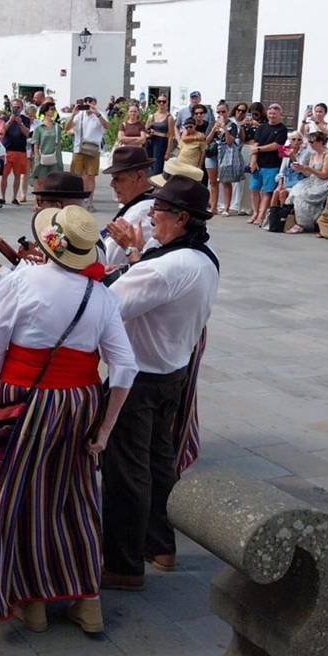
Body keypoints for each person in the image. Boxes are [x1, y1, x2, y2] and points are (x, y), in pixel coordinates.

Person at [0, 205, 137, 634]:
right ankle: (88, 602)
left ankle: (33, 604)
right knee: (78, 497)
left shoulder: (19, 281)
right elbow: (124, 368)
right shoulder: (101, 294)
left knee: (24, 498)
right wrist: (104, 429)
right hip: (80, 402)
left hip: (26, 401)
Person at [99, 176, 219, 591]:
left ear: (182, 219)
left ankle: (122, 565)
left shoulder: (166, 268)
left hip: (140, 380)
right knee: (157, 463)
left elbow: (108, 305)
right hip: (172, 372)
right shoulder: (203, 256)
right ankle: (160, 545)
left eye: (159, 211)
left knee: (125, 473)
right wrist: (134, 254)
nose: (151, 216)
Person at [101, 147, 156, 266]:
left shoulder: (141, 211)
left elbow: (108, 257)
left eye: (118, 178)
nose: (112, 184)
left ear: (139, 176)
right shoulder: (141, 204)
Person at [285, 131, 328, 234]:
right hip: (312, 181)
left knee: (302, 195)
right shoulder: (313, 155)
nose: (310, 144)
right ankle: (301, 221)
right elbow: (308, 174)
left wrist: (308, 169)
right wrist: (301, 169)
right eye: (309, 141)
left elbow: (325, 174)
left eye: (312, 142)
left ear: (320, 142)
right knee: (295, 192)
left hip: (324, 183)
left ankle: (302, 224)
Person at [248, 102, 289, 226]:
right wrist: (253, 160)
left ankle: (261, 215)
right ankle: (255, 213)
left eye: (275, 114)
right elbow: (256, 143)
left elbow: (276, 145)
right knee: (254, 189)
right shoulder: (262, 127)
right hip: (258, 164)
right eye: (270, 113)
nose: (272, 116)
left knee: (267, 191)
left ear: (279, 114)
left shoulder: (282, 129)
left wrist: (259, 149)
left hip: (272, 165)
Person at [29, 101, 64, 203]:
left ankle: (52, 200)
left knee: (55, 180)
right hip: (43, 155)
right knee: (40, 180)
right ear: (45, 111)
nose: (53, 111)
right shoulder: (39, 128)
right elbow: (35, 143)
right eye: (51, 109)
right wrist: (36, 158)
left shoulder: (57, 127)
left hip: (55, 156)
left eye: (54, 109)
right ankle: (37, 201)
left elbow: (59, 142)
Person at [2, 101, 31, 205]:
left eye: (18, 107)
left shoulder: (26, 120)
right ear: (10, 107)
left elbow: (28, 134)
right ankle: (3, 197)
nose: (16, 109)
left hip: (20, 151)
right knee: (4, 175)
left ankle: (14, 197)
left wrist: (20, 123)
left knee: (17, 175)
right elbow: (2, 131)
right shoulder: (5, 118)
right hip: (7, 150)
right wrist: (10, 121)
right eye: (14, 107)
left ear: (22, 108)